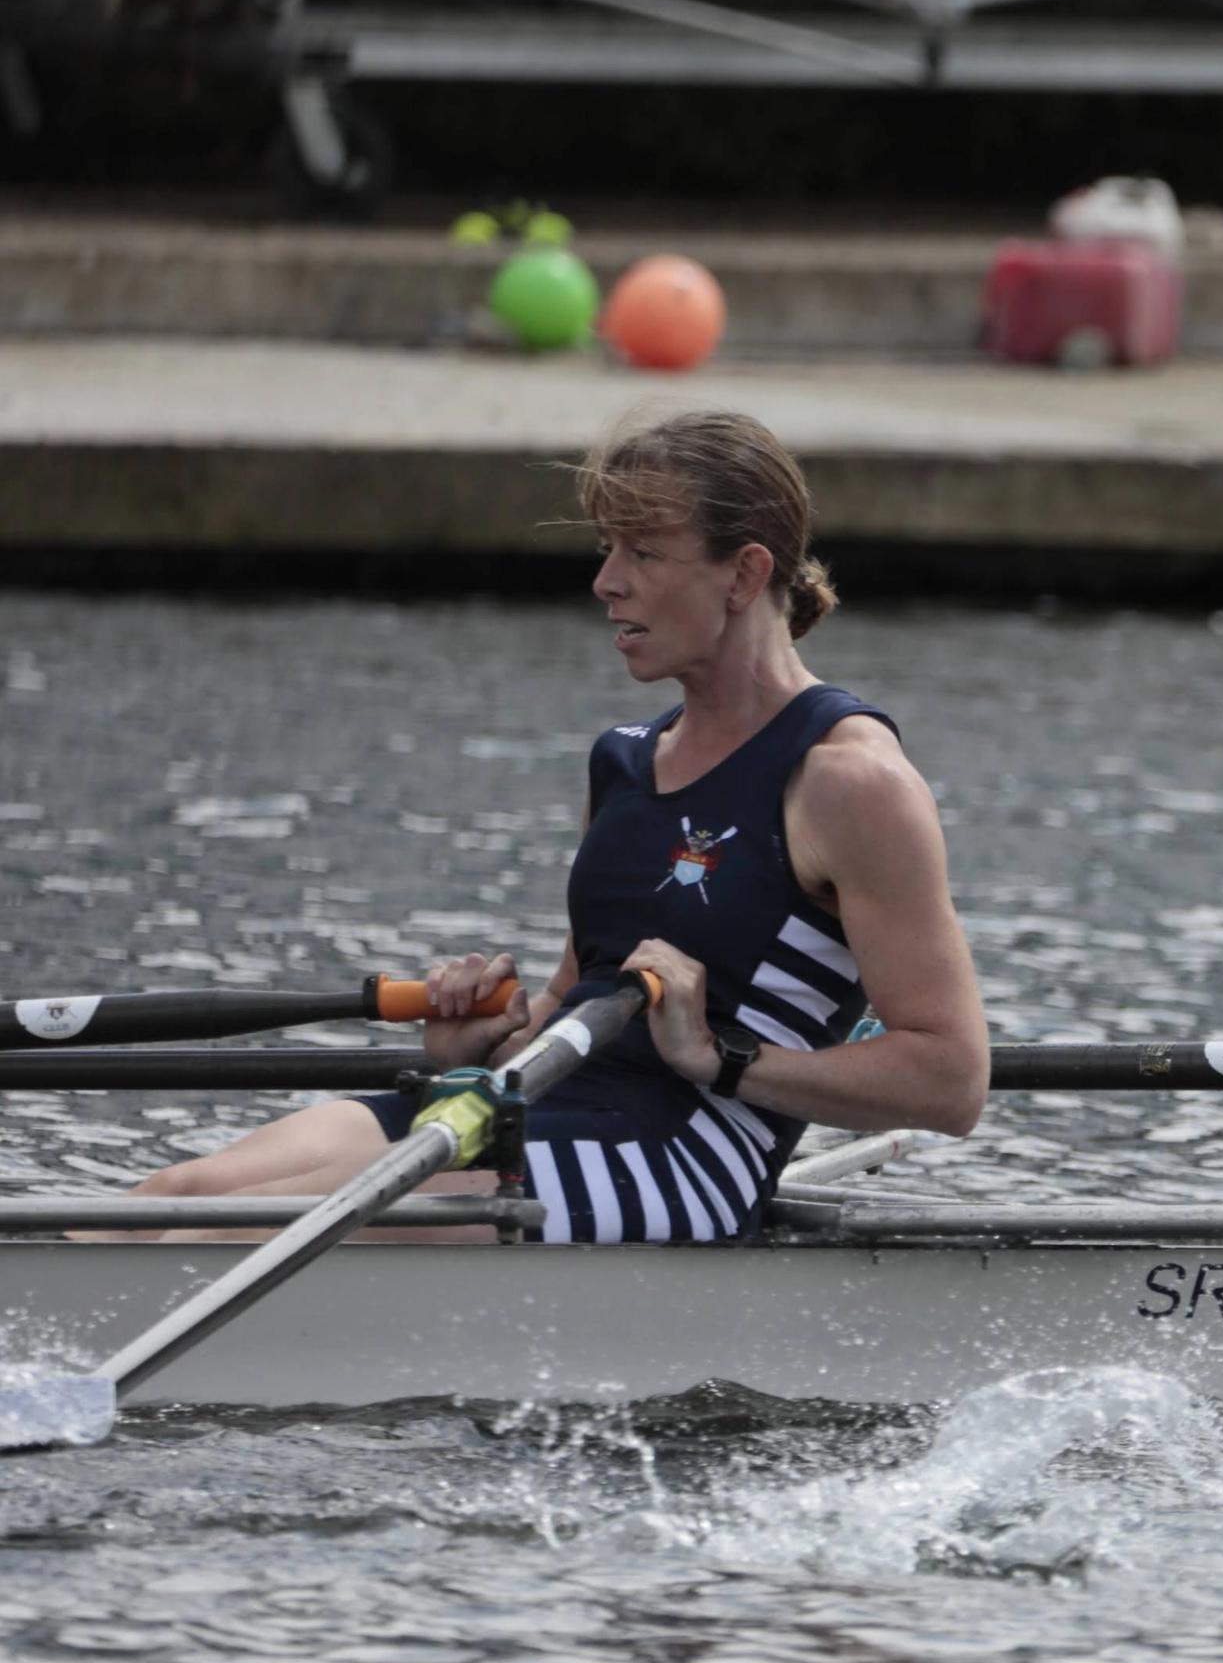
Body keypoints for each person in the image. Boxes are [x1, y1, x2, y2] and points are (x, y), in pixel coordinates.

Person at [134, 409, 984, 1242]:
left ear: (745, 573)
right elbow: (570, 1004)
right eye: (606, 549)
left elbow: (950, 1079)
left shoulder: (848, 779)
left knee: (236, 1231)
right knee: (166, 1204)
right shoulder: (620, 761)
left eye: (643, 553)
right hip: (531, 1109)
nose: (606, 581)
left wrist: (713, 1054)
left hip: (680, 1154)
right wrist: (478, 1048)